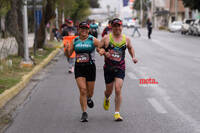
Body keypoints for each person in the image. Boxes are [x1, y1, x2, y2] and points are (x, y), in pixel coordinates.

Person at [65, 21, 104, 122]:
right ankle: (84, 113)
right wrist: (66, 49)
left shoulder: (92, 39)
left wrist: (101, 51)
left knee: (90, 92)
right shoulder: (75, 41)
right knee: (83, 90)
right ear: (78, 30)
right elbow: (69, 55)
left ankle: (89, 98)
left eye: (86, 29)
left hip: (90, 67)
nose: (84, 30)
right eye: (82, 28)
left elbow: (100, 47)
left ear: (88, 30)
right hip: (79, 68)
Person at [100, 18, 138, 121]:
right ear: (111, 27)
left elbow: (130, 48)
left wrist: (133, 57)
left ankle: (117, 113)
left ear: (121, 27)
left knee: (117, 89)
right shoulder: (106, 38)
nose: (117, 28)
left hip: (120, 67)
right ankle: (107, 98)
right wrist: (103, 52)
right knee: (109, 91)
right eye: (115, 26)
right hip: (108, 68)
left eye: (119, 26)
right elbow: (99, 48)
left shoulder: (126, 39)